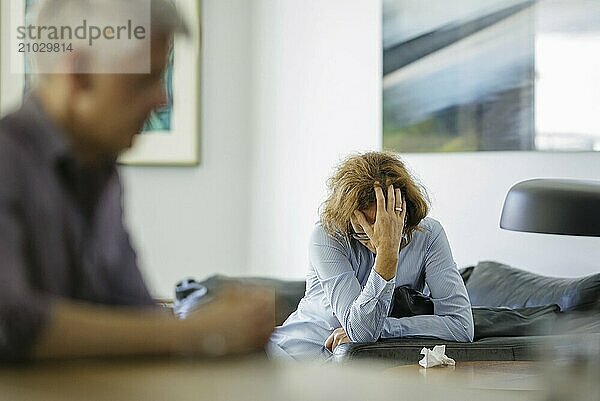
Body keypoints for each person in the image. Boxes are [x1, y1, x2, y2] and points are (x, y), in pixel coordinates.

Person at [0, 0, 274, 362]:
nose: (161, 99)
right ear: (80, 74)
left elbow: (135, 310)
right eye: (146, 79)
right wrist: (198, 332)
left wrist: (229, 328)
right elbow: (13, 323)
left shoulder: (101, 172)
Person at [268, 152, 474, 360]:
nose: (376, 234)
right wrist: (387, 254)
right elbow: (361, 332)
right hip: (294, 353)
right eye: (364, 226)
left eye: (387, 221)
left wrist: (385, 327)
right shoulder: (327, 235)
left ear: (405, 210)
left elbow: (462, 327)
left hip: (357, 364)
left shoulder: (428, 235)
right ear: (348, 216)